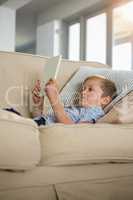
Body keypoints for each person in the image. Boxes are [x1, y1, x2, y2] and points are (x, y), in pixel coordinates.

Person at [32, 75, 117, 126]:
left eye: (90, 89)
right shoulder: (76, 108)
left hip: (42, 126)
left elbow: (72, 129)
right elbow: (45, 118)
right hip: (38, 123)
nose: (83, 92)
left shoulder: (95, 113)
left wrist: (55, 99)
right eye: (83, 89)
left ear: (105, 100)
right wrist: (38, 105)